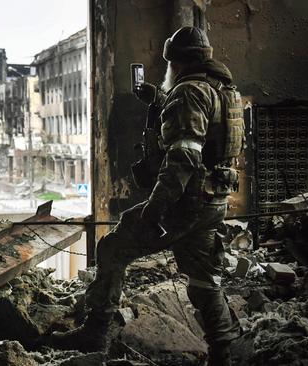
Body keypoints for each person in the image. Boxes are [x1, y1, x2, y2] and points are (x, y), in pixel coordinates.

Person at [51, 26, 241, 366]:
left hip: (184, 204)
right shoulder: (224, 90)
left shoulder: (187, 93)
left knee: (111, 248)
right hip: (213, 201)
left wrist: (155, 210)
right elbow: (202, 130)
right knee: (203, 278)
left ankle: (95, 330)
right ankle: (224, 353)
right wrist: (157, 98)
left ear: (176, 63)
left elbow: (183, 157)